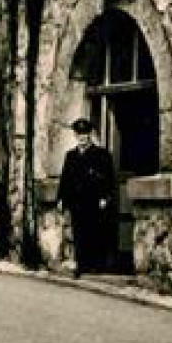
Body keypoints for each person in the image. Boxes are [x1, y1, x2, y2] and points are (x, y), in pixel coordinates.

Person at [56, 117, 119, 275]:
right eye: (78, 134)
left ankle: (97, 265)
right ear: (75, 136)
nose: (82, 137)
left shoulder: (101, 154)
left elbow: (109, 179)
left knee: (95, 232)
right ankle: (81, 265)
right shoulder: (70, 156)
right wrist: (61, 199)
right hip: (77, 202)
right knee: (79, 233)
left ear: (90, 134)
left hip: (94, 202)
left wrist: (105, 197)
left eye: (84, 134)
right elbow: (65, 179)